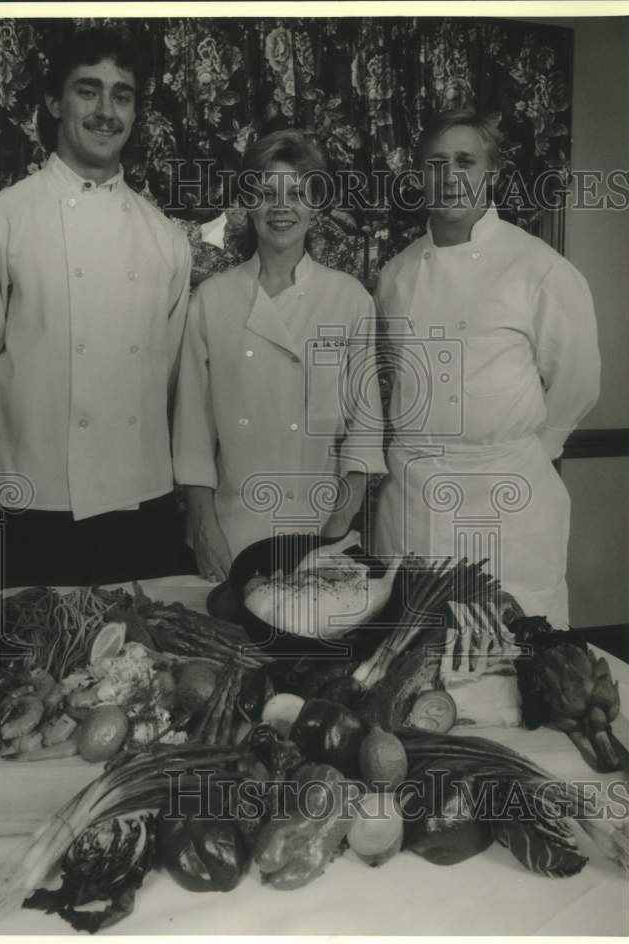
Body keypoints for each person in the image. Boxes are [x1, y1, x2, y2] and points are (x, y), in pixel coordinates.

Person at [0, 29, 193, 587]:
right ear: (54, 102)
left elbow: (163, 372)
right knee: (38, 670)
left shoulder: (166, 239)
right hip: (35, 502)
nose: (106, 111)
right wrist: (14, 451)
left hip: (140, 499)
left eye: (121, 96)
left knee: (143, 666)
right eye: (88, 91)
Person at [373, 109, 600, 625]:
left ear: (490, 174)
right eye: (436, 163)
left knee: (507, 658)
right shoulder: (398, 273)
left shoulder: (540, 269)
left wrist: (523, 453)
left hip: (507, 496)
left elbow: (579, 381)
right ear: (420, 175)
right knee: (413, 658)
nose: (450, 176)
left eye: (465, 161)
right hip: (414, 499)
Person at [172, 130, 387, 582]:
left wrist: (333, 534)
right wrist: (207, 533)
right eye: (266, 193)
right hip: (232, 532)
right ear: (249, 205)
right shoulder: (212, 299)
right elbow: (192, 435)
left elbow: (365, 435)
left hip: (320, 530)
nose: (281, 207)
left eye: (296, 193)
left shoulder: (348, 299)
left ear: (316, 204)